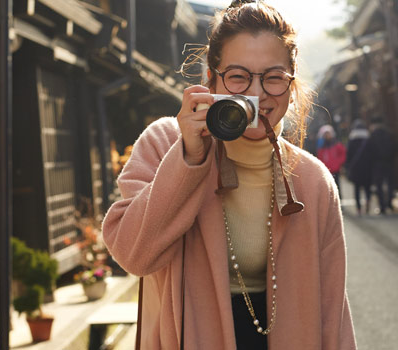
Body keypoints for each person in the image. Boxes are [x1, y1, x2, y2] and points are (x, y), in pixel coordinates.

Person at [101, 1, 357, 349]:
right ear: (211, 79)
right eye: (238, 76)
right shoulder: (165, 144)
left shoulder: (312, 181)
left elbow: (333, 313)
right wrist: (189, 158)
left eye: (273, 78)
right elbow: (133, 255)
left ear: (292, 86)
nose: (256, 92)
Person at [367, 118, 397, 215]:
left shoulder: (373, 135)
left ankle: (382, 206)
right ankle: (390, 202)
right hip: (389, 162)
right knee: (390, 183)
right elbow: (396, 147)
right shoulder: (390, 133)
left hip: (377, 163)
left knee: (379, 185)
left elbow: (370, 150)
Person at [345, 119, 371, 216]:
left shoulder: (352, 140)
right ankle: (368, 200)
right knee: (367, 187)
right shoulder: (368, 139)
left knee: (357, 188)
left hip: (355, 168)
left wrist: (347, 166)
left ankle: (359, 208)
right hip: (367, 167)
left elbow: (348, 155)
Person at [317, 124, 346, 192]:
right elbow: (320, 158)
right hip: (326, 170)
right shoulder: (322, 147)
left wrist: (339, 163)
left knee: (337, 186)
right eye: (325, 134)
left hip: (336, 169)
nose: (327, 136)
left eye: (328, 134)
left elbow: (343, 154)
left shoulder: (337, 145)